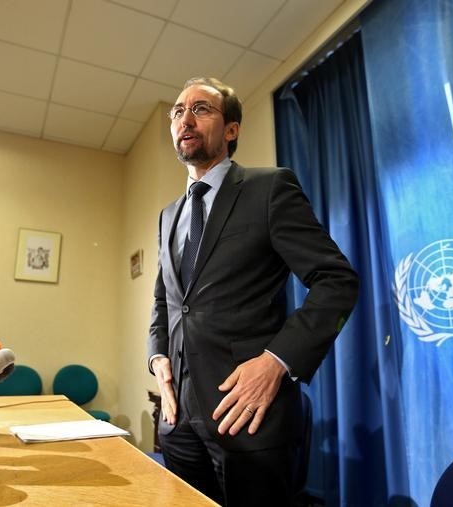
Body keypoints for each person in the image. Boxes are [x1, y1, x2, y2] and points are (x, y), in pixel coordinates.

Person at [147, 77, 359, 506]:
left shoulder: (270, 188)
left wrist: (278, 361)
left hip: (247, 419)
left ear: (231, 129)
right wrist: (158, 359)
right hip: (177, 421)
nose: (185, 118)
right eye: (177, 110)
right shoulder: (168, 216)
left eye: (201, 108)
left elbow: (337, 281)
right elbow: (165, 302)